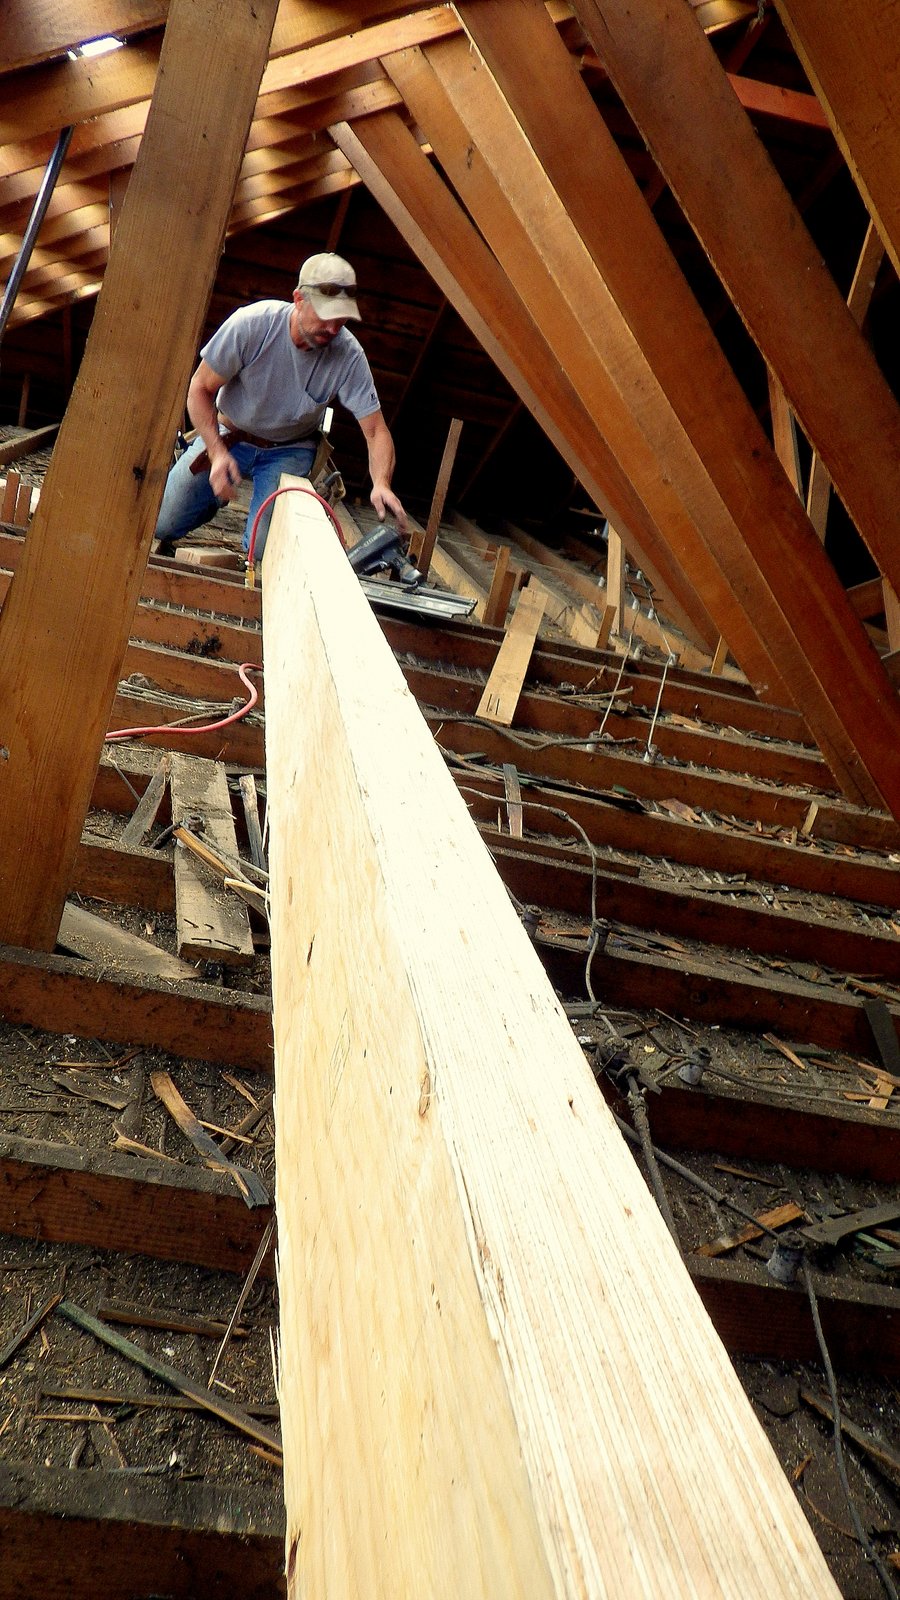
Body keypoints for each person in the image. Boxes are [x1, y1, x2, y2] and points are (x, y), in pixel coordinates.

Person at [154, 251, 407, 562]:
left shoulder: (349, 355)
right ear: (299, 299)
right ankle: (208, 497)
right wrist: (217, 453)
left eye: (341, 320)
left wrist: (381, 482)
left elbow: (376, 431)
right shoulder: (252, 325)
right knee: (162, 522)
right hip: (229, 434)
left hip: (289, 450)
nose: (333, 329)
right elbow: (199, 389)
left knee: (264, 554)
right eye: (326, 317)